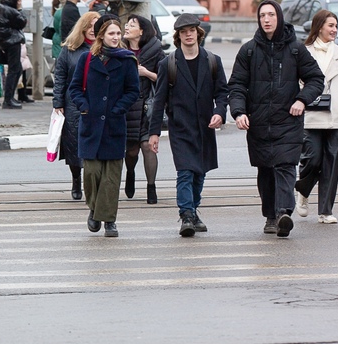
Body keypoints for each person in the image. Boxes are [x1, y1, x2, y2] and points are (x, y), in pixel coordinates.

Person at [227, 0, 326, 237]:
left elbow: (316, 79)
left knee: (285, 167)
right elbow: (237, 85)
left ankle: (284, 213)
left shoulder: (295, 49)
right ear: (259, 20)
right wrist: (239, 112)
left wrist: (302, 100)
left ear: (279, 17)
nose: (267, 19)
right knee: (265, 171)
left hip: (287, 120)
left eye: (271, 15)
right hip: (258, 122)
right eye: (263, 15)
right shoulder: (248, 50)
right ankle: (271, 216)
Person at [148, 14, 229, 236]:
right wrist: (153, 133)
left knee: (199, 173)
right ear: (178, 36)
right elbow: (159, 100)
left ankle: (193, 210)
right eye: (184, 32)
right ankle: (186, 214)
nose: (188, 34)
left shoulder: (213, 61)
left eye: (192, 30)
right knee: (185, 171)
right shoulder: (169, 64)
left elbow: (222, 93)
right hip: (180, 128)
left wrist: (219, 113)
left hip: (205, 127)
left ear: (198, 33)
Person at [68, 16, 140, 238]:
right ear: (101, 36)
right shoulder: (87, 59)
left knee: (111, 176)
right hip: (91, 124)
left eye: (118, 33)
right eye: (111, 34)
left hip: (114, 125)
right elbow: (74, 89)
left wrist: (119, 108)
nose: (116, 37)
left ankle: (109, 220)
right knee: (91, 174)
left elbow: (133, 91)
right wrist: (84, 106)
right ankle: (93, 209)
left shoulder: (128, 60)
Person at [294, 10, 338, 225]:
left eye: (336, 26)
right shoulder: (304, 52)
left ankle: (325, 211)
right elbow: (294, 80)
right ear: (319, 26)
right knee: (312, 159)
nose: (334, 30)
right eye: (330, 25)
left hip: (336, 116)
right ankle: (303, 189)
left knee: (332, 163)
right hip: (311, 114)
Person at [53, 11, 100, 201]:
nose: (91, 31)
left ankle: (93, 182)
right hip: (73, 101)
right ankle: (75, 179)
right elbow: (60, 76)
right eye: (88, 26)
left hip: (96, 102)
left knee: (94, 144)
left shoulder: (104, 49)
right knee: (73, 143)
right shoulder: (70, 49)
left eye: (95, 27)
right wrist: (58, 102)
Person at [122, 14, 165, 204]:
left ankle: (151, 187)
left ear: (141, 31)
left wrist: (146, 73)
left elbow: (166, 79)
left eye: (132, 25)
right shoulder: (120, 50)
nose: (127, 27)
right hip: (128, 108)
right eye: (127, 24)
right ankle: (130, 172)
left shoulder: (156, 51)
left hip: (148, 107)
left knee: (148, 147)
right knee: (131, 151)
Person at [0, 0, 28, 109]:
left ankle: (10, 98)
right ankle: (8, 99)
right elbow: (22, 21)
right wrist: (19, 8)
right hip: (12, 42)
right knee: (14, 70)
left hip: (5, 42)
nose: (20, 1)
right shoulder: (10, 10)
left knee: (16, 69)